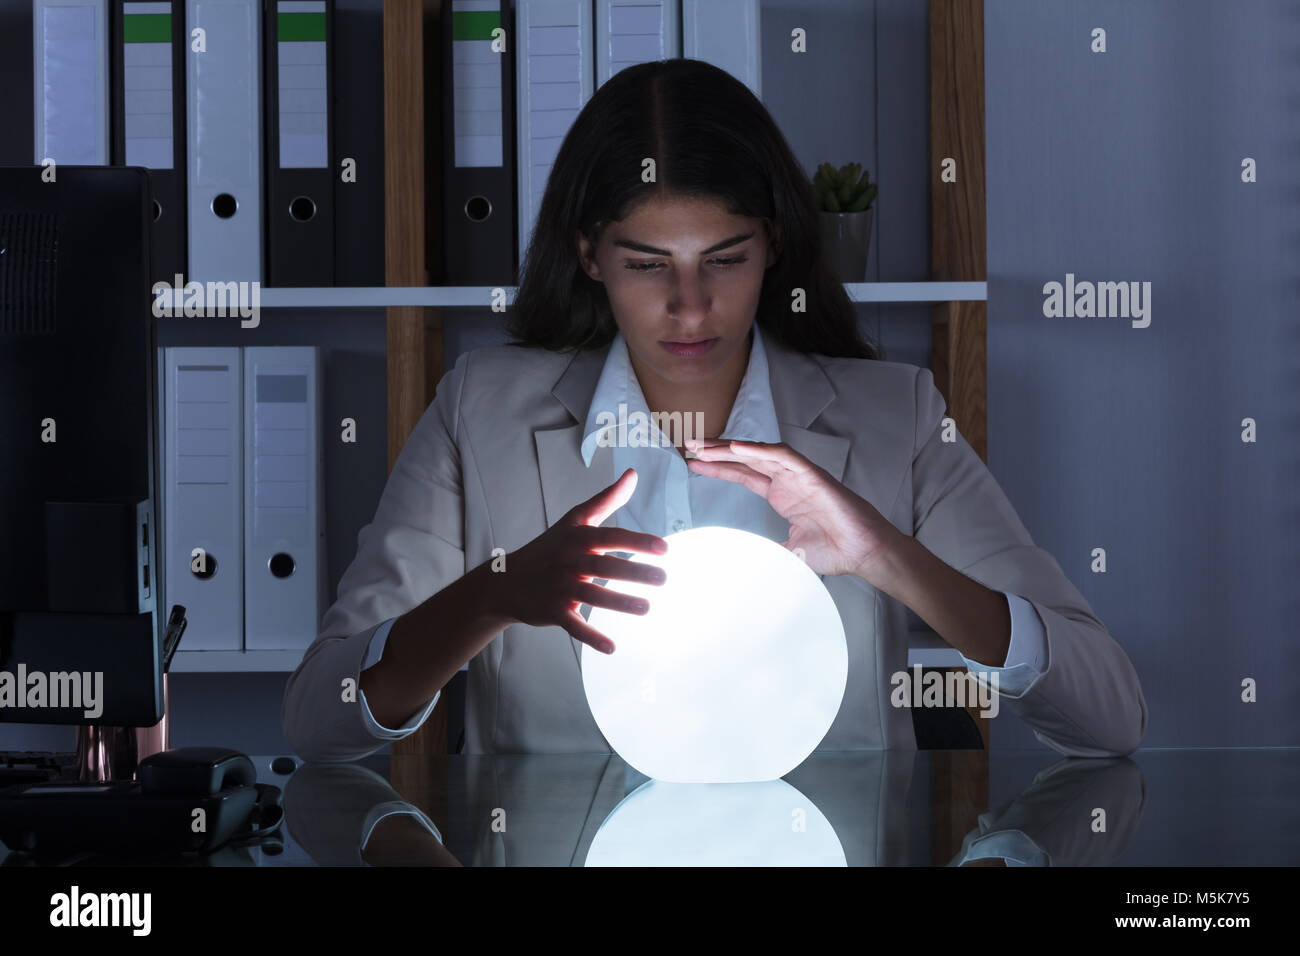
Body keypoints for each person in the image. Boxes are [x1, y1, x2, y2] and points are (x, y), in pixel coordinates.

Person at [282, 59, 1146, 763]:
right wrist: (495, 592)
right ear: (588, 255)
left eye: (724, 260)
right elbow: (322, 719)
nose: (691, 307)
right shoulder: (481, 413)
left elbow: (1110, 719)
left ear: (773, 244)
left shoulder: (897, 418)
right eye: (649, 264)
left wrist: (888, 555)